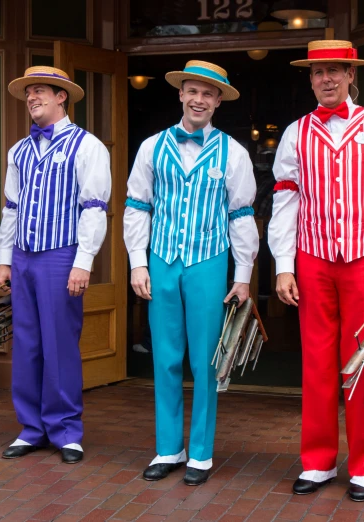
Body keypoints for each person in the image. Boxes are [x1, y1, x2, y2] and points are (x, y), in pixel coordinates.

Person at [269, 40, 364, 502]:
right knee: (316, 362)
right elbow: (286, 202)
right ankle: (318, 462)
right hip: (311, 259)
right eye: (317, 72)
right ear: (310, 80)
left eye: (335, 70)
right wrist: (284, 267)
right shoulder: (295, 133)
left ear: (351, 76)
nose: (326, 79)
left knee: (363, 361)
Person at [124, 61, 258, 486]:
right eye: (192, 91)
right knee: (164, 358)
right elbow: (137, 207)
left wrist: (243, 274)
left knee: (204, 361)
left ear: (219, 101)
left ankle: (200, 452)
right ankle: (168, 448)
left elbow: (241, 215)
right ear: (180, 95)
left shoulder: (233, 152)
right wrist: (137, 262)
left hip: (208, 261)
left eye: (208, 93)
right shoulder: (151, 147)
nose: (199, 99)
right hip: (162, 260)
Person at [0, 66, 111, 464]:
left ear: (62, 96)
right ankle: (31, 429)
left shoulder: (88, 146)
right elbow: (11, 208)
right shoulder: (18, 150)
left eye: (40, 91)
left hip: (62, 254)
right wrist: (4, 261)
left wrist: (84, 263)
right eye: (29, 92)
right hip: (23, 255)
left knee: (60, 343)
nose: (32, 98)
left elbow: (94, 208)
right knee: (26, 343)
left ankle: (65, 430)